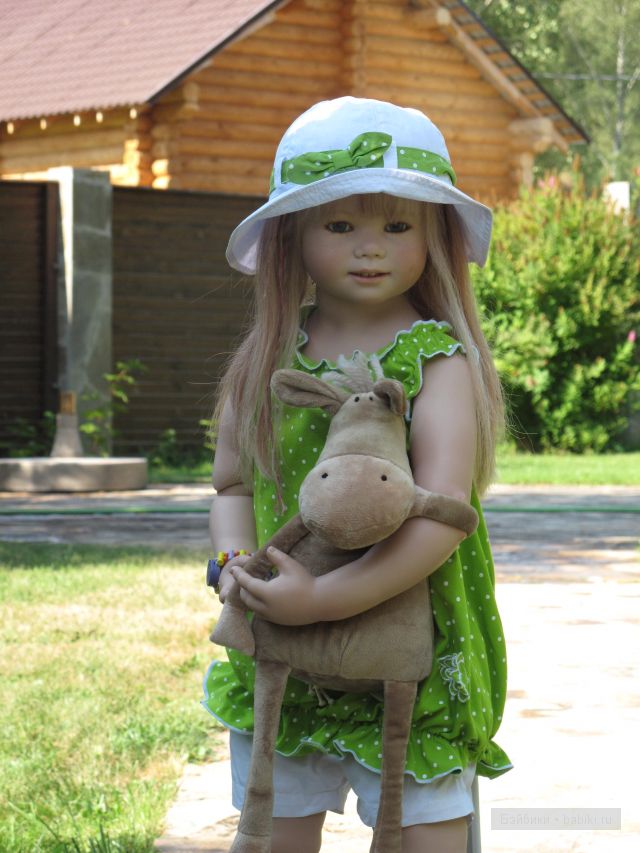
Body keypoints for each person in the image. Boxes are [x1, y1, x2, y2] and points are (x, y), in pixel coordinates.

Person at [202, 96, 512, 853]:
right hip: (287, 649)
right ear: (292, 237)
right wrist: (232, 564)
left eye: (397, 225)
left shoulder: (438, 360)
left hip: (412, 644)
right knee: (274, 822)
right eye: (340, 224)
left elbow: (443, 513)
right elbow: (232, 487)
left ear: (432, 235)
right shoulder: (268, 358)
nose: (369, 247)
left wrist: (325, 597)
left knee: (423, 831)